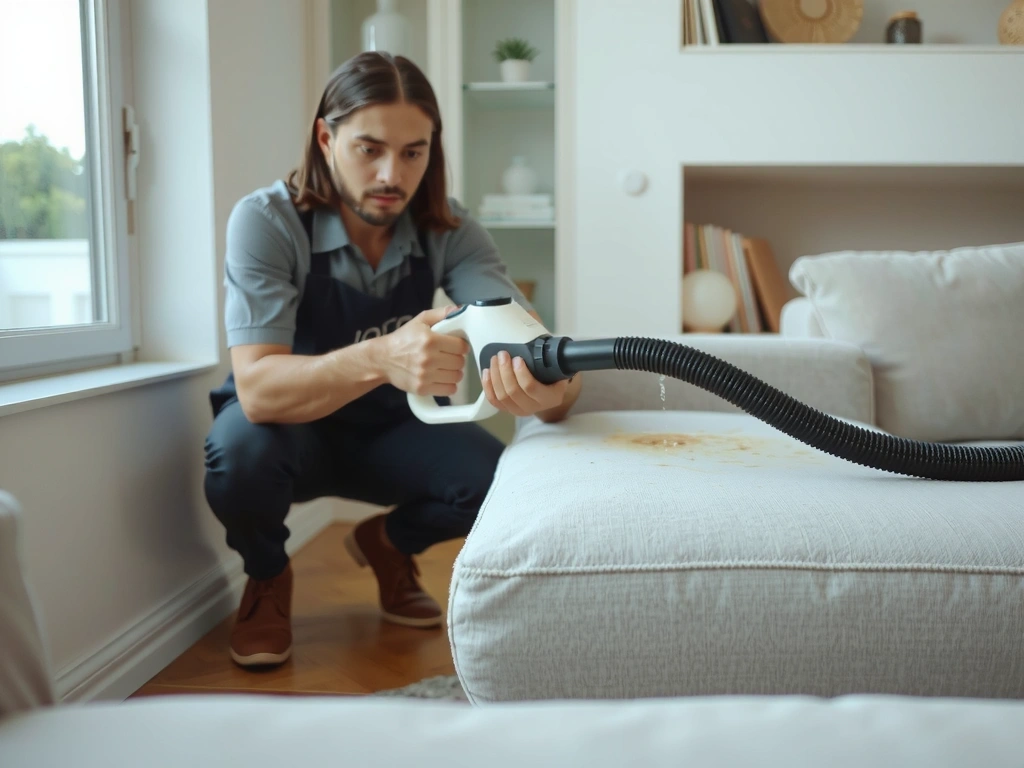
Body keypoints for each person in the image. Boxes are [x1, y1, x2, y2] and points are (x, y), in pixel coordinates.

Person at [202, 51, 582, 668]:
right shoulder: (266, 221)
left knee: (498, 480)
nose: (391, 174)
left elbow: (529, 340)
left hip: (392, 428)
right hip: (287, 431)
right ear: (326, 138)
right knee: (237, 455)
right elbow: (260, 390)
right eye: (368, 148)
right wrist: (381, 355)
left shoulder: (452, 230)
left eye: (413, 152)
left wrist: (553, 390)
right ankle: (268, 574)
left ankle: (387, 544)